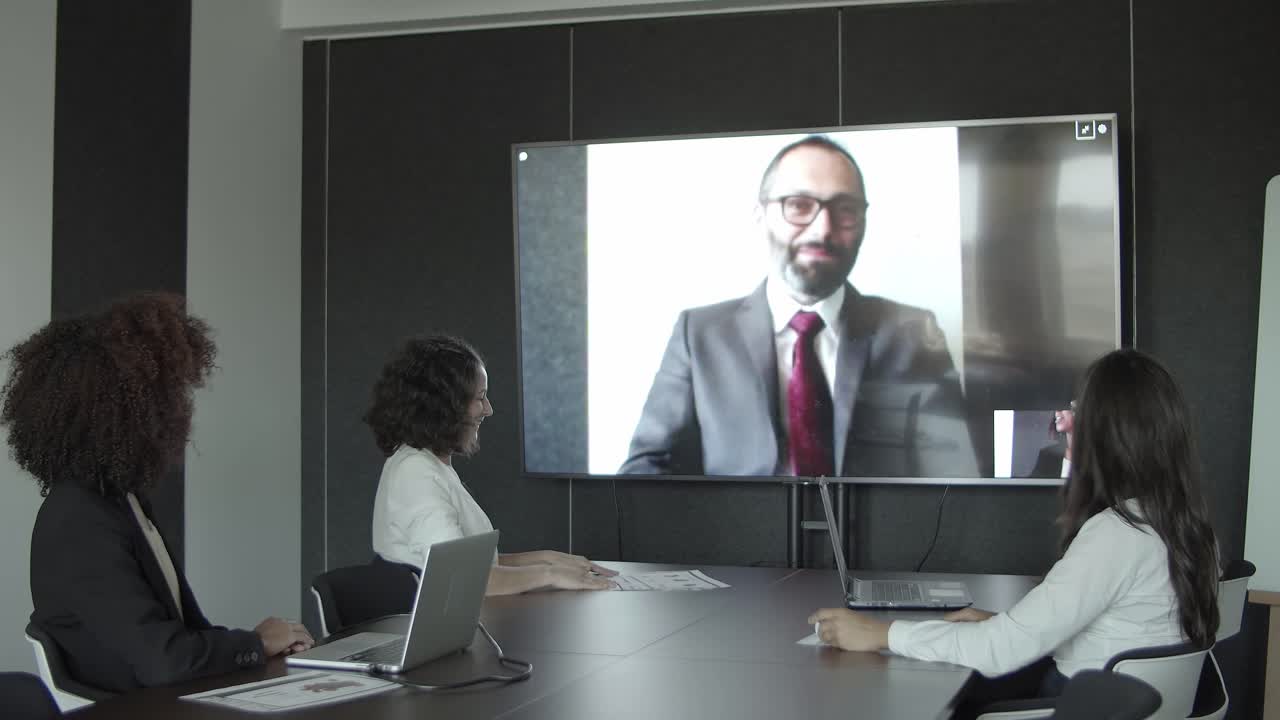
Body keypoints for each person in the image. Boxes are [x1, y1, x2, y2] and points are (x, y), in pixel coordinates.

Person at [808, 349, 1220, 712]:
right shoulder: (1182, 526)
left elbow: (1000, 651)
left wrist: (880, 633)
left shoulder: (1117, 534)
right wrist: (1011, 623)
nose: (1065, 424)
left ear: (1111, 433)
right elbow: (1115, 626)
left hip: (1077, 704)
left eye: (1079, 410)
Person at [2, 293, 313, 693]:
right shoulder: (78, 520)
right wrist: (255, 643)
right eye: (167, 398)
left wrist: (260, 646)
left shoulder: (119, 501)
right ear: (124, 415)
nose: (180, 412)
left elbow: (180, 635)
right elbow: (163, 661)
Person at [620, 135, 977, 478]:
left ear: (864, 223)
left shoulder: (913, 335)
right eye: (799, 206)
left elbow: (955, 476)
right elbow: (645, 473)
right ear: (760, 217)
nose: (822, 229)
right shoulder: (699, 336)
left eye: (845, 209)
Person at [367, 335, 615, 595]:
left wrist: (547, 559)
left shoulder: (426, 465)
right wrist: (549, 574)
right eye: (480, 397)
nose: (489, 409)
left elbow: (477, 564)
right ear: (446, 404)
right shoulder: (415, 473)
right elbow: (462, 577)